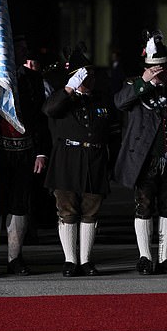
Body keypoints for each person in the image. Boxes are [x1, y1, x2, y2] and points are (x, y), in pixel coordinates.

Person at [113, 30, 167, 275]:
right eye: (157, 69)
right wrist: (145, 81)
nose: (162, 72)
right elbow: (120, 102)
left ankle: (165, 257)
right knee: (143, 207)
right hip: (144, 160)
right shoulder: (133, 85)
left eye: (164, 68)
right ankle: (145, 256)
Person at [42, 43, 118, 277]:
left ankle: (85, 260)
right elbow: (49, 109)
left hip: (94, 159)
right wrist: (68, 89)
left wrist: (110, 164)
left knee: (90, 211)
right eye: (83, 75)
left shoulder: (101, 99)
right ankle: (70, 260)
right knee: (67, 210)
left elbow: (113, 132)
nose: (89, 79)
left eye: (91, 74)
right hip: (67, 159)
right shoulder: (63, 98)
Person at [0, 34, 51, 275]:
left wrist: (41, 152)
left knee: (20, 205)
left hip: (25, 150)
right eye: (20, 48)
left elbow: (40, 118)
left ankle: (15, 257)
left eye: (26, 48)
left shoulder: (34, 79)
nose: (25, 53)